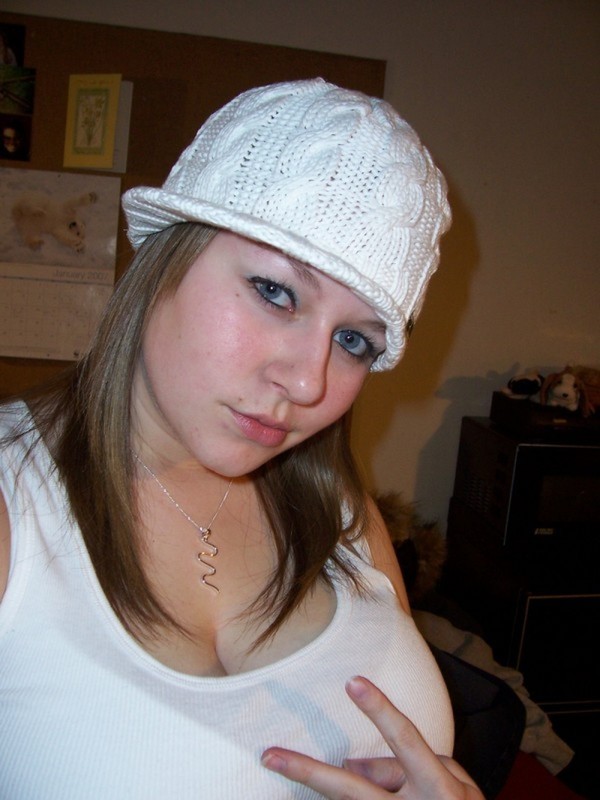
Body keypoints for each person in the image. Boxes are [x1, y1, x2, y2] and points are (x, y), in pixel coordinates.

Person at [0, 78, 483, 799]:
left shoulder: (342, 510)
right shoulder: (15, 510)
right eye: (276, 292)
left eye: (353, 340)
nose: (308, 382)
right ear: (166, 260)